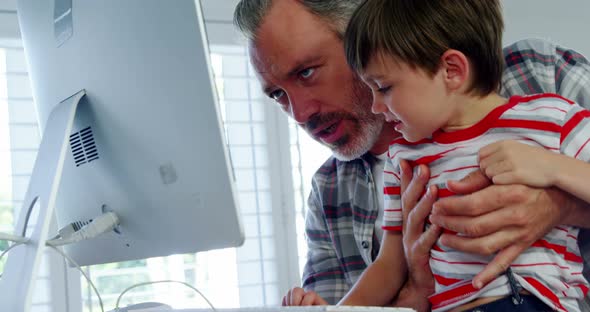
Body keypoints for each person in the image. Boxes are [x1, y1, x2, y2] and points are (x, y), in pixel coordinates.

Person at [232, 0, 590, 310]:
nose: (299, 113)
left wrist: (560, 207)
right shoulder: (329, 194)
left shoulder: (540, 79)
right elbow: (380, 271)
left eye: (306, 72)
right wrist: (413, 296)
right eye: (277, 95)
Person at [342, 0, 590, 311]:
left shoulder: (551, 118)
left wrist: (554, 168)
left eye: (384, 87)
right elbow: (390, 263)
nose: (376, 107)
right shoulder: (402, 159)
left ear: (452, 70)